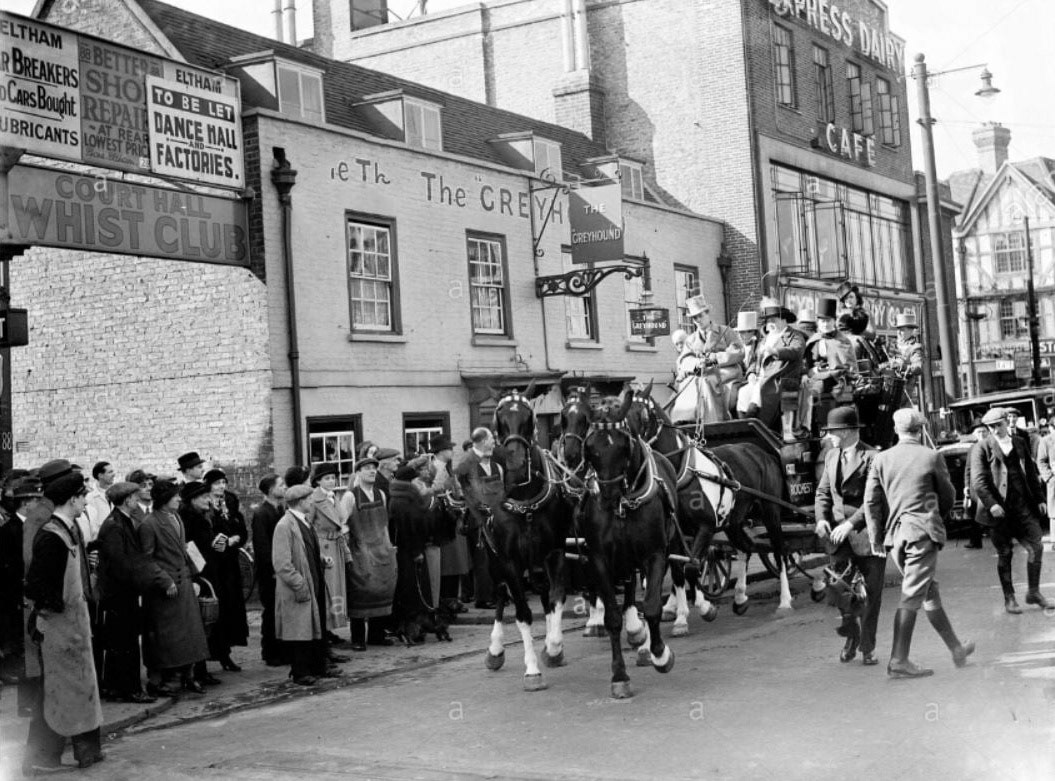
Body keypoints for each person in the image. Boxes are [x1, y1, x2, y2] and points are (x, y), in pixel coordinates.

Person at [865, 408, 973, 679]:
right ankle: (899, 660)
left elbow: (871, 502)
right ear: (920, 429)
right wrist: (937, 517)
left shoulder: (881, 459)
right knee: (913, 594)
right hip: (921, 534)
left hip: (895, 538)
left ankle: (956, 649)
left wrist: (876, 538)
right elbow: (948, 496)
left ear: (897, 430)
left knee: (928, 592)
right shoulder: (931, 456)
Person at [22, 473, 104, 772]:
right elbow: (36, 585)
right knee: (54, 695)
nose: (86, 501)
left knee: (74, 693)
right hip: (58, 629)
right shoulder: (51, 535)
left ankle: (83, 752)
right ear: (72, 499)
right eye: (83, 496)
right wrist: (50, 614)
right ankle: (40, 759)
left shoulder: (66, 529)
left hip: (73, 629)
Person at [814, 407, 883, 666]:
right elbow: (822, 493)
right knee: (842, 591)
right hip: (837, 538)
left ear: (844, 431)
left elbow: (875, 499)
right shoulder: (832, 456)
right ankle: (852, 638)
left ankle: (868, 647)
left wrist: (851, 524)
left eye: (832, 432)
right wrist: (822, 518)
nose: (828, 437)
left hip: (867, 535)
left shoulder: (874, 457)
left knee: (870, 595)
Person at [970, 408, 1054, 613]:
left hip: (1023, 506)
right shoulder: (981, 448)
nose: (996, 430)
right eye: (991, 427)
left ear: (1006, 423)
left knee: (1036, 547)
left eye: (999, 425)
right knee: (1005, 553)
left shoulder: (1019, 442)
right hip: (999, 512)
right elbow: (979, 482)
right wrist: (992, 504)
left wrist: (1040, 499)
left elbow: (1031, 474)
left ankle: (1033, 592)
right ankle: (1009, 599)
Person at [95, 482, 171, 704]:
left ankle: (115, 687)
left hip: (123, 592)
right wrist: (139, 582)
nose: (137, 500)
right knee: (124, 642)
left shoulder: (121, 521)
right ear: (126, 500)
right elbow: (121, 563)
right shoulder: (115, 525)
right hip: (120, 594)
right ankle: (129, 689)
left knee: (122, 642)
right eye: (134, 497)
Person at [139, 479, 209, 697]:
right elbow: (147, 560)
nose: (179, 499)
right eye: (175, 496)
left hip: (184, 583)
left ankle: (188, 676)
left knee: (189, 634)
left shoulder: (176, 517)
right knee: (168, 638)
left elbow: (183, 549)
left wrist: (196, 574)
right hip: (166, 590)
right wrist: (165, 581)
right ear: (164, 499)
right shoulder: (149, 524)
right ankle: (167, 680)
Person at [272, 484, 339, 686]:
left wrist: (321, 559)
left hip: (313, 581)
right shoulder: (284, 525)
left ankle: (317, 666)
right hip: (299, 587)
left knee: (314, 627)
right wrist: (299, 584)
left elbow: (306, 549)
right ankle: (300, 672)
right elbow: (282, 563)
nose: (312, 502)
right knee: (300, 630)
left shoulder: (304, 522)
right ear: (300, 502)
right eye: (309, 499)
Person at [343, 456, 398, 650]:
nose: (371, 471)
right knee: (360, 593)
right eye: (366, 468)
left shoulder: (381, 494)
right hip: (361, 551)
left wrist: (389, 547)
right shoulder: (350, 496)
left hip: (381, 550)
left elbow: (384, 524)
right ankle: (358, 638)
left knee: (382, 590)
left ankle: (377, 634)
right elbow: (342, 525)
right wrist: (350, 551)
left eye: (374, 468)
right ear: (358, 473)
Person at [202, 469, 250, 671]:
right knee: (216, 610)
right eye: (216, 483)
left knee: (231, 608)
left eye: (223, 482)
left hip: (230, 563)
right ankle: (214, 653)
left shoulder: (230, 502)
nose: (221, 486)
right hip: (213, 565)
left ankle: (226, 654)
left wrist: (236, 538)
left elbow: (241, 528)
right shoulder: (204, 505)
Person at [178, 481, 224, 686]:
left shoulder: (204, 516)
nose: (208, 499)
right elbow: (189, 547)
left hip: (208, 570)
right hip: (198, 573)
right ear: (192, 500)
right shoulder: (188, 518)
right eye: (204, 497)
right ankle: (196, 671)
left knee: (205, 624)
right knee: (199, 622)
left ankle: (201, 669)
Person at [0, 477, 41, 705]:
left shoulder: (35, 527)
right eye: (37, 500)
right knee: (22, 653)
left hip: (32, 598)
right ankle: (25, 704)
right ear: (26, 503)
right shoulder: (9, 531)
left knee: (32, 652)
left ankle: (31, 701)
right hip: (17, 601)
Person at [455, 427, 506, 609]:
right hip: (476, 519)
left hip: (496, 518)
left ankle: (499, 593)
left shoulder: (497, 467)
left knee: (497, 557)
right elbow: (459, 490)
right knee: (481, 559)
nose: (494, 442)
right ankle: (483, 598)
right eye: (492, 438)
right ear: (483, 441)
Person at [742, 297, 806, 438]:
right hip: (761, 380)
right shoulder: (764, 339)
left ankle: (759, 431)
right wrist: (751, 373)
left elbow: (796, 351)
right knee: (742, 393)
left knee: (763, 391)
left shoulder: (795, 336)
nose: (770, 323)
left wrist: (776, 352)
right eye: (768, 320)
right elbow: (755, 360)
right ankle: (745, 428)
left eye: (773, 320)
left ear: (784, 320)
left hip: (782, 380)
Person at [674, 294, 744, 423]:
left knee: (706, 382)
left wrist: (715, 358)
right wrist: (696, 363)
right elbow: (684, 360)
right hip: (702, 372)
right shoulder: (691, 339)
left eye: (701, 316)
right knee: (686, 384)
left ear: (707, 313)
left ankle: (713, 422)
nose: (698, 320)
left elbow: (738, 351)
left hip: (726, 372)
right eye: (695, 318)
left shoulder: (725, 331)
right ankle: (682, 421)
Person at [388, 464, 438, 639]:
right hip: (409, 551)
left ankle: (410, 625)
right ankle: (412, 628)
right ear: (410, 481)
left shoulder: (399, 496)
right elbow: (410, 528)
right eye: (416, 479)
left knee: (409, 589)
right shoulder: (405, 499)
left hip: (404, 550)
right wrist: (417, 551)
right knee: (413, 589)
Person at [804, 298, 857, 437]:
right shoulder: (814, 339)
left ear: (834, 321)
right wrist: (810, 371)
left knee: (817, 386)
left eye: (828, 321)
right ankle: (797, 428)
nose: (825, 324)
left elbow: (847, 367)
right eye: (822, 321)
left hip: (836, 380)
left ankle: (821, 428)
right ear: (818, 323)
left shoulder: (842, 341)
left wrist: (824, 372)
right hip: (815, 376)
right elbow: (807, 362)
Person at [312, 462, 352, 642]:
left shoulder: (333, 497)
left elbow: (341, 521)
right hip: (323, 546)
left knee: (336, 588)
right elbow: (309, 525)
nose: (331, 481)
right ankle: (324, 629)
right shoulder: (314, 499)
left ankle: (330, 627)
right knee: (327, 588)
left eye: (333, 478)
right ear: (318, 481)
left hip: (336, 544)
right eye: (326, 478)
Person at [252, 473, 287, 665]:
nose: (284, 488)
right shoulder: (261, 513)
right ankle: (270, 652)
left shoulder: (280, 509)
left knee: (281, 611)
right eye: (280, 485)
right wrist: (272, 570)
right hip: (270, 572)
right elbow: (262, 546)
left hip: (280, 567)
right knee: (271, 611)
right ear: (270, 490)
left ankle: (282, 648)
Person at [432, 435, 470, 614]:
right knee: (448, 561)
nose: (452, 451)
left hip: (454, 517)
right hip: (443, 519)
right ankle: (446, 599)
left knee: (457, 560)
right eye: (449, 449)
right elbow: (436, 491)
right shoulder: (434, 469)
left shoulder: (448, 469)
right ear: (440, 451)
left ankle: (453, 597)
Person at [964, 419, 989, 550]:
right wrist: (967, 486)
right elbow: (968, 468)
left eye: (984, 431)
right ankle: (975, 541)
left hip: (992, 485)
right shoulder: (972, 449)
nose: (982, 434)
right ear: (974, 434)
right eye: (979, 432)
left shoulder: (993, 445)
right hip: (976, 487)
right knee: (973, 514)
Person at [890, 313, 924, 407]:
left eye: (902, 330)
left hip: (904, 387)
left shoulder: (915, 347)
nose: (899, 333)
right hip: (889, 386)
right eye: (898, 330)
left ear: (911, 331)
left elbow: (918, 368)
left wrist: (902, 366)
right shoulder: (892, 344)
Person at [83, 461, 116, 542]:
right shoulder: (90, 498)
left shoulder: (117, 493)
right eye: (110, 472)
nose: (114, 474)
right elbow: (92, 526)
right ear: (100, 475)